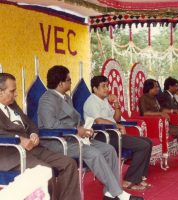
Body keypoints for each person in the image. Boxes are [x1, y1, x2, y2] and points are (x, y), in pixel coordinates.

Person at [37, 65, 143, 200]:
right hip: (58, 141)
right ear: (60, 83)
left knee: (109, 150)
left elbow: (74, 120)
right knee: (94, 153)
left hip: (75, 138)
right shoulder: (47, 99)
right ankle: (118, 193)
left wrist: (86, 128)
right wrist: (76, 130)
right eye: (69, 80)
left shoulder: (66, 98)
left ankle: (109, 193)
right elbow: (50, 126)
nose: (71, 82)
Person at [0, 73, 81, 200]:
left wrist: (33, 134)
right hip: (11, 153)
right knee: (46, 171)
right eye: (12, 91)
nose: (16, 94)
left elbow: (30, 123)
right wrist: (19, 139)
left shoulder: (12, 104)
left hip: (33, 148)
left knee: (69, 164)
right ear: (0, 92)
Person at [83, 75, 152, 190]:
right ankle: (129, 180)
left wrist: (116, 105)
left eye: (107, 86)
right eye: (103, 86)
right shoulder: (91, 102)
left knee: (147, 142)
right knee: (142, 145)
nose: (106, 89)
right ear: (95, 89)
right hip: (101, 135)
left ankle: (139, 178)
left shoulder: (104, 100)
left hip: (112, 133)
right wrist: (117, 125)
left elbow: (117, 118)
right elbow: (99, 121)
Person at [139, 79, 178, 166]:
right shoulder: (144, 98)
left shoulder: (154, 98)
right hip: (156, 126)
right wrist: (161, 114)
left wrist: (172, 110)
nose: (158, 88)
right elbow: (145, 113)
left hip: (164, 124)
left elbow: (161, 109)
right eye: (156, 87)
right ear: (149, 88)